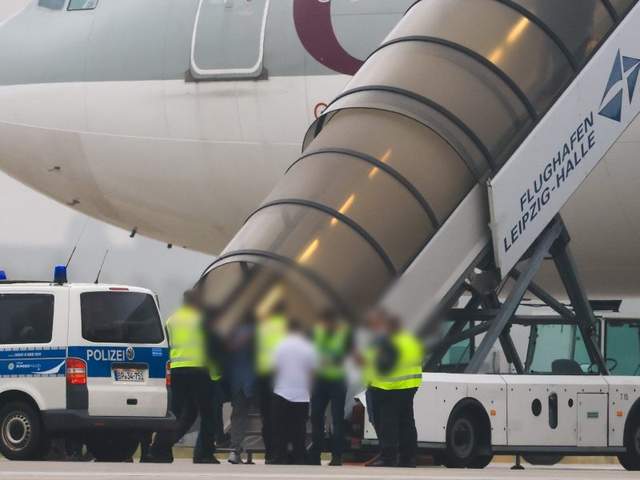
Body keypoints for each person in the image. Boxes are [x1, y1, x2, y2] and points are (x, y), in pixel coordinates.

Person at [147, 290, 220, 464]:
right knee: (208, 414)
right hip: (200, 370)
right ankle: (204, 454)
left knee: (175, 413)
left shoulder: (171, 320)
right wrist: (216, 375)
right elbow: (212, 347)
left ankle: (159, 450)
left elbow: (166, 346)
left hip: (177, 371)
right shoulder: (203, 320)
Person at [365, 309, 423, 468]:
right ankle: (408, 458)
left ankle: (388, 458)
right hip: (409, 386)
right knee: (407, 423)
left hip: (388, 387)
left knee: (388, 424)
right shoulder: (410, 340)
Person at [308, 310, 353, 466]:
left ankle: (337, 456)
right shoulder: (316, 332)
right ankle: (315, 455)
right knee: (316, 416)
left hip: (337, 380)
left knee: (337, 419)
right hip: (320, 380)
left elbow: (348, 355)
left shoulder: (344, 334)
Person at [271, 320, 317, 465]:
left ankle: (281, 456)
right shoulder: (308, 347)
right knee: (299, 428)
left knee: (281, 427)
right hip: (301, 393)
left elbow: (274, 368)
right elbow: (312, 370)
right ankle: (299, 456)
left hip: (282, 390)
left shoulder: (279, 345)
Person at [255, 301, 288, 463]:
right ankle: (280, 453)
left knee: (266, 417)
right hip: (281, 376)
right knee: (283, 417)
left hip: (263, 375)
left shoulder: (261, 327)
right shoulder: (287, 328)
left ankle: (269, 453)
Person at [226, 313, 257, 464]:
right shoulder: (256, 333)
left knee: (238, 416)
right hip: (253, 381)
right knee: (269, 417)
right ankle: (274, 452)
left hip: (237, 381)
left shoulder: (233, 334)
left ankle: (235, 450)